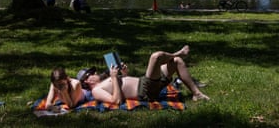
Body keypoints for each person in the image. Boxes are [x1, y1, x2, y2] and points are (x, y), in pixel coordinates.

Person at [79, 45, 209, 104]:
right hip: (145, 90)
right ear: (87, 81)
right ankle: (178, 53)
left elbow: (124, 85)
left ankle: (197, 94)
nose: (95, 73)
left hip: (147, 83)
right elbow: (116, 100)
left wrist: (124, 74)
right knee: (155, 56)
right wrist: (113, 77)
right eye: (91, 73)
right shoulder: (96, 90)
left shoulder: (104, 81)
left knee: (177, 62)